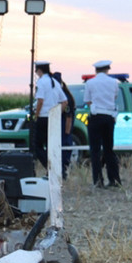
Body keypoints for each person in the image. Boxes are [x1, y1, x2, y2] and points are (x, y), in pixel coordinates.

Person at [84, 60, 121, 188]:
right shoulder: (114, 83)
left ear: (96, 70)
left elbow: (87, 101)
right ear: (107, 70)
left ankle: (98, 181)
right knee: (108, 149)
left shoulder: (90, 82)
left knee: (95, 150)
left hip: (96, 116)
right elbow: (115, 97)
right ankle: (114, 180)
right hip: (109, 117)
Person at [32, 61, 67, 171]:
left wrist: (36, 116)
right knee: (51, 147)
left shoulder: (41, 82)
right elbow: (64, 101)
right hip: (53, 118)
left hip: (43, 118)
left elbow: (40, 101)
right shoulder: (55, 82)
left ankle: (50, 167)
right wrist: (57, 114)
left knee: (37, 146)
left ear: (39, 70)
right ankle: (57, 169)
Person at [53, 71, 76, 179]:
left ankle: (63, 172)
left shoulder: (65, 97)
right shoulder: (59, 93)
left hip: (64, 127)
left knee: (65, 149)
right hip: (58, 126)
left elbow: (68, 116)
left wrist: (67, 132)